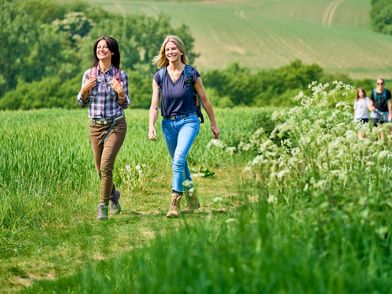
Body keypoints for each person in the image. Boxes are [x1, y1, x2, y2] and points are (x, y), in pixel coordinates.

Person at [148, 35, 220, 218]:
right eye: (167, 49)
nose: (170, 52)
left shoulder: (191, 73)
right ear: (164, 53)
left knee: (178, 159)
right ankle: (193, 199)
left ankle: (175, 201)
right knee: (179, 162)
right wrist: (151, 125)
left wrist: (213, 123)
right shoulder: (159, 76)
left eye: (174, 49)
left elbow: (204, 99)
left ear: (181, 51)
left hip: (189, 120)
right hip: (168, 124)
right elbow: (154, 105)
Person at [77, 36, 130, 220]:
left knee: (106, 166)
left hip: (116, 125)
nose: (101, 50)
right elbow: (81, 103)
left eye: (105, 47)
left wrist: (121, 93)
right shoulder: (89, 74)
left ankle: (103, 206)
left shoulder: (120, 75)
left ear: (112, 52)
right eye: (99, 47)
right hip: (95, 126)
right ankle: (114, 195)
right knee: (100, 169)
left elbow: (125, 104)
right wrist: (84, 91)